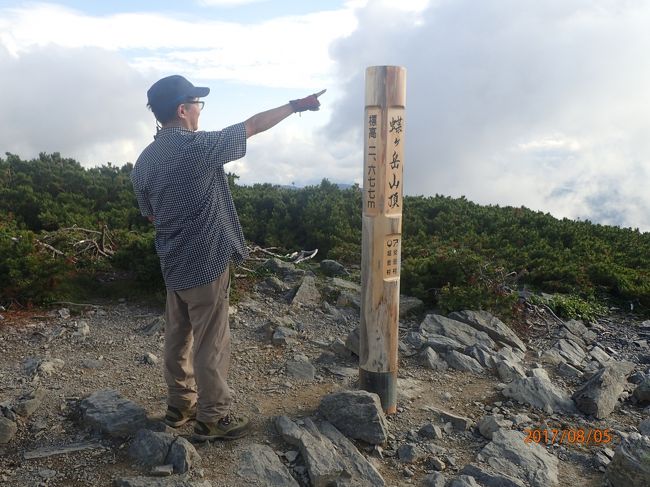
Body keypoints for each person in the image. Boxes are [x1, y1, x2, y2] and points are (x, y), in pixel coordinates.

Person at [130, 75, 323, 441]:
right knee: (210, 341)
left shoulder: (144, 162)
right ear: (182, 110)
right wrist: (296, 106)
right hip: (206, 263)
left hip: (172, 263)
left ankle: (179, 405)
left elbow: (151, 214)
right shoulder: (199, 148)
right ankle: (213, 417)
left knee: (177, 336)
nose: (201, 110)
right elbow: (251, 126)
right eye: (197, 104)